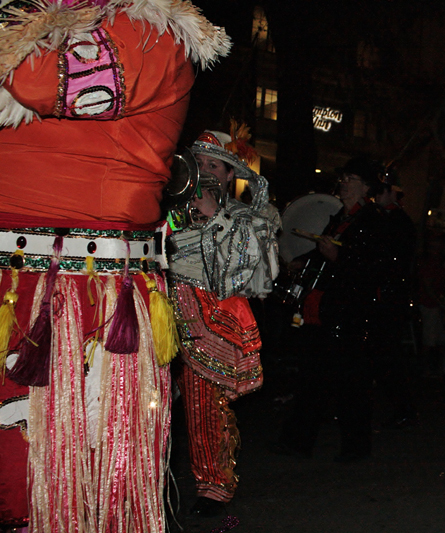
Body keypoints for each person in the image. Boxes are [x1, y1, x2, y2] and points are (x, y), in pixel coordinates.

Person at [0, 1, 230, 531]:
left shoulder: (149, 31)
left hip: (76, 300)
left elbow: (46, 81)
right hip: (24, 290)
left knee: (52, 484)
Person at [168, 126, 279, 517]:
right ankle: (147, 478)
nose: (204, 170)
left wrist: (214, 216)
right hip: (160, 309)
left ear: (230, 174)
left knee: (205, 407)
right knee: (151, 403)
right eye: (198, 162)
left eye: (213, 164)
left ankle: (213, 487)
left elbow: (245, 274)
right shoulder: (168, 207)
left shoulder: (245, 217)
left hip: (210, 317)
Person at [277, 156, 388, 462]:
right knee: (315, 378)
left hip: (349, 313)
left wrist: (337, 259)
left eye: (351, 178)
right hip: (327, 309)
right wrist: (305, 259)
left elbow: (373, 267)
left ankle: (353, 448)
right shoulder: (340, 216)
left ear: (366, 186)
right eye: (344, 178)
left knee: (349, 385)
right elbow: (326, 248)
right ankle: (299, 439)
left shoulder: (372, 219)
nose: (344, 183)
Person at [373, 169, 418, 428]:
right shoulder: (381, 218)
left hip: (391, 298)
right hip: (382, 295)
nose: (377, 196)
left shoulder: (399, 222)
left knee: (388, 354)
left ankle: (404, 407)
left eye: (382, 191)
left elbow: (398, 263)